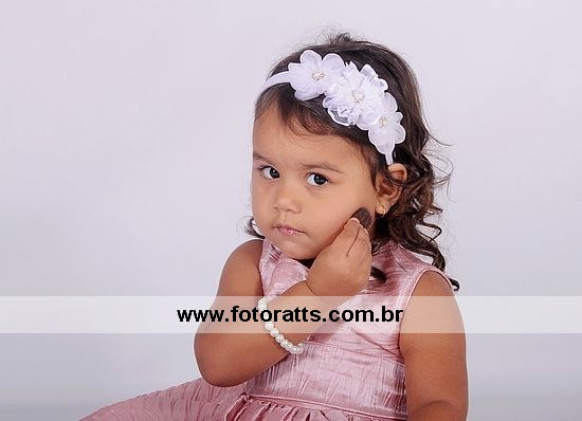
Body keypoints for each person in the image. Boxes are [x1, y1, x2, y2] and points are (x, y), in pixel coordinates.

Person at [83, 32, 468, 420]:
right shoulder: (254, 264)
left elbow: (440, 403)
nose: (284, 199)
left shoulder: (416, 292)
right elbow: (218, 364)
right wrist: (316, 295)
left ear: (385, 188)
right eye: (270, 171)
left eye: (317, 178)